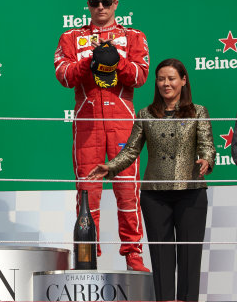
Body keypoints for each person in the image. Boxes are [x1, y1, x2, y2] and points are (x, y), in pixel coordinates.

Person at [88, 58, 214, 301]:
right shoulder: (146, 113)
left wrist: (206, 161)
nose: (166, 84)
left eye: (171, 78)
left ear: (183, 81)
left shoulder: (198, 111)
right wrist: (110, 167)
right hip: (154, 195)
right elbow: (131, 151)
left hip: (191, 191)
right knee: (161, 255)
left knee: (190, 255)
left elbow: (207, 146)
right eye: (161, 79)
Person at [54, 0, 150, 271]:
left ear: (115, 4)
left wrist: (115, 60)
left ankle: (133, 254)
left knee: (127, 191)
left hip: (122, 125)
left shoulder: (133, 36)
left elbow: (140, 76)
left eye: (106, 2)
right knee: (87, 191)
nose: (100, 8)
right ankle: (87, 256)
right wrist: (89, 62)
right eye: (94, 3)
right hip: (87, 125)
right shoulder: (71, 38)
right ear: (88, 3)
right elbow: (64, 75)